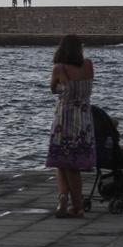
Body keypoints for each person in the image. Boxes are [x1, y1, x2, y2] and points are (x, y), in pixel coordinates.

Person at [46, 34, 96, 218]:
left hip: (64, 121)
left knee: (67, 164)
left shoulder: (59, 69)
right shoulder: (88, 65)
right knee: (64, 163)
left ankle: (76, 205)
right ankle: (64, 199)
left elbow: (53, 89)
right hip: (84, 121)